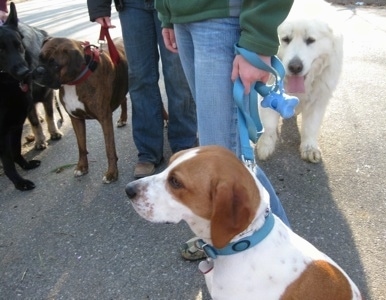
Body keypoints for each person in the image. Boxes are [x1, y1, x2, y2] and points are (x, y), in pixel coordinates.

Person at [155, 0, 294, 259]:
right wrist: (168, 13)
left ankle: (286, 260)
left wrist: (257, 38)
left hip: (221, 18)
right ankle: (227, 239)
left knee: (228, 162)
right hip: (184, 17)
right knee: (226, 156)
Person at [87, 0, 197, 178]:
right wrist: (99, 6)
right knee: (139, 77)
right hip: (132, 6)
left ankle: (184, 144)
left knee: (178, 75)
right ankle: (148, 151)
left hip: (173, 3)